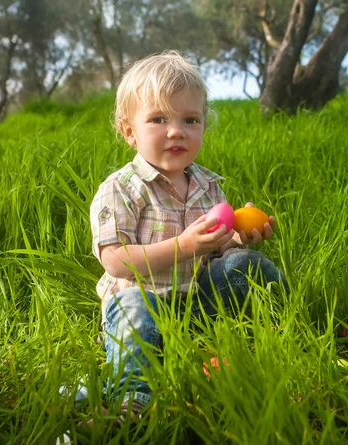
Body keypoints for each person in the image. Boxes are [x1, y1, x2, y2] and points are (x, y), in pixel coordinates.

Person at [89, 50, 288, 423]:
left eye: (190, 119)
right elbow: (116, 260)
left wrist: (237, 240)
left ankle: (289, 331)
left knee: (246, 264)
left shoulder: (209, 186)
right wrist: (184, 245)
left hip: (195, 303)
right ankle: (133, 402)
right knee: (135, 312)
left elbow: (215, 251)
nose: (176, 130)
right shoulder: (121, 189)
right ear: (128, 131)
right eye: (159, 119)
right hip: (142, 302)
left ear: (203, 127)